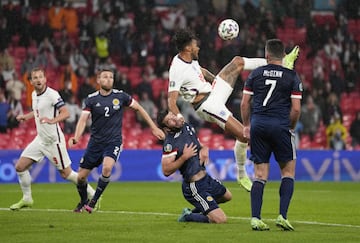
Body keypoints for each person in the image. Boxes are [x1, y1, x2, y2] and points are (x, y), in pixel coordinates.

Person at [167, 28, 299, 192]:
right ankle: (242, 175)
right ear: (187, 48)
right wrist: (180, 118)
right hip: (207, 106)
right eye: (195, 45)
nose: (198, 48)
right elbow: (170, 101)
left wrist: (218, 81)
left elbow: (201, 72)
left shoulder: (190, 59)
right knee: (244, 135)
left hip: (213, 92)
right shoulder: (177, 69)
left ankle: (282, 63)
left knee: (237, 62)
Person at [68, 69, 165, 213]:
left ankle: (94, 200)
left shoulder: (120, 96)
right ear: (99, 81)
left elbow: (139, 108)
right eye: (105, 77)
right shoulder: (91, 99)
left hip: (113, 141)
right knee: (81, 178)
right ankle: (83, 200)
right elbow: (83, 120)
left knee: (107, 168)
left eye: (111, 77)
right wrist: (76, 137)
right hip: (95, 143)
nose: (108, 79)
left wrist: (154, 128)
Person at [9, 67, 96, 210]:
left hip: (53, 141)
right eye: (35, 78)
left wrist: (52, 120)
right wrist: (27, 116)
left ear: (45, 79)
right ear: (30, 81)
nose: (38, 80)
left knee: (66, 174)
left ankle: (92, 194)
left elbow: (66, 113)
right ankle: (27, 199)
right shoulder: (34, 95)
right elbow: (37, 111)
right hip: (40, 139)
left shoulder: (52, 95)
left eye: (40, 77)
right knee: (20, 167)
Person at [241, 39, 302, 231]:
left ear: (266, 55)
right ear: (284, 56)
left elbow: (244, 103)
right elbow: (296, 109)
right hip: (280, 125)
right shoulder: (292, 76)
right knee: (288, 173)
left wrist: (246, 125)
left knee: (260, 175)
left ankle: (255, 219)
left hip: (258, 125)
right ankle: (282, 216)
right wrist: (290, 126)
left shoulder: (255, 74)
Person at [157, 110, 231, 223]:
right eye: (169, 121)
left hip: (206, 179)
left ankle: (197, 211)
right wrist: (184, 157)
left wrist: (205, 149)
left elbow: (199, 144)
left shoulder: (187, 127)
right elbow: (166, 171)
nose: (174, 119)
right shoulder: (170, 144)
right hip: (194, 186)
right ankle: (188, 217)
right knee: (221, 220)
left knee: (227, 196)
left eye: (172, 116)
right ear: (166, 128)